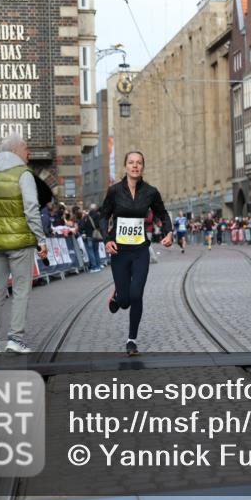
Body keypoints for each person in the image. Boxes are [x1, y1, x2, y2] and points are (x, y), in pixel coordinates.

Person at [0, 133, 48, 355]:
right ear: (16, 150)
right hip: (19, 242)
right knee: (20, 291)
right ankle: (15, 339)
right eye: (26, 148)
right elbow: (31, 209)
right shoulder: (23, 174)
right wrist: (41, 239)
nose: (29, 153)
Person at [100, 151, 174, 356]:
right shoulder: (114, 191)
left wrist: (169, 232)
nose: (135, 166)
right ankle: (117, 294)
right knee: (124, 301)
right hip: (120, 251)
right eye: (131, 163)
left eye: (139, 163)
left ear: (143, 167)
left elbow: (162, 213)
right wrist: (107, 240)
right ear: (125, 166)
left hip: (141, 250)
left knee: (137, 295)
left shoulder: (150, 192)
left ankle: (131, 340)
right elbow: (103, 216)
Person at [82, 203, 103, 272]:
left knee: (91, 251)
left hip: (89, 235)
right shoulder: (98, 215)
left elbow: (82, 226)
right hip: (96, 235)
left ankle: (94, 267)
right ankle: (98, 266)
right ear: (96, 208)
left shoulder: (86, 217)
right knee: (96, 251)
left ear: (90, 209)